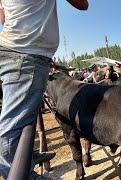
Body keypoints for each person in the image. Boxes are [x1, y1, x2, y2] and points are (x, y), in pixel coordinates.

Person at [0, 0, 88, 178]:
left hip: (21, 51)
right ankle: (20, 173)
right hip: (27, 55)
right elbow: (83, 4)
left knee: (24, 117)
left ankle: (28, 157)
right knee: (13, 125)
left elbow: (3, 17)